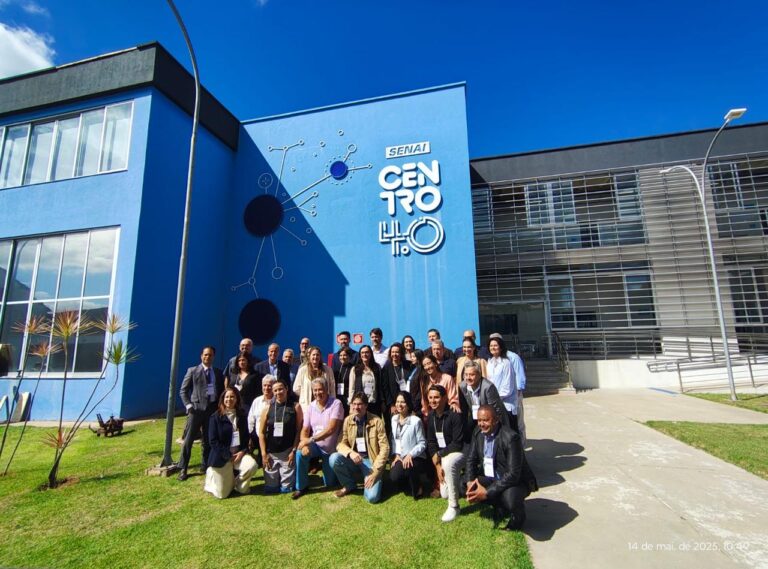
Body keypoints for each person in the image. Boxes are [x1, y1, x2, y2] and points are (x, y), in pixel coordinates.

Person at [464, 405, 538, 531]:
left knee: (510, 499)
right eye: (479, 420)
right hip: (491, 477)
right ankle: (499, 506)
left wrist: (487, 492)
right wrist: (470, 482)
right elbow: (471, 459)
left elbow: (513, 474)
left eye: (485, 420)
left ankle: (518, 518)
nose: (481, 424)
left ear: (496, 420)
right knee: (463, 485)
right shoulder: (478, 432)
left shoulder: (511, 438)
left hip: (515, 482)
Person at [329, 392, 389, 503]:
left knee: (372, 498)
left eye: (360, 404)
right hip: (354, 459)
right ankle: (349, 485)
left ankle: (371, 480)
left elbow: (385, 448)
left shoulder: (377, 421)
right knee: (334, 458)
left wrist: (375, 472)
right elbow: (340, 443)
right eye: (354, 404)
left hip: (371, 462)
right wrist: (351, 453)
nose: (356, 407)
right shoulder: (348, 421)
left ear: (366, 406)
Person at [177, 346, 225, 481]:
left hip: (211, 410)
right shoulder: (192, 371)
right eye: (205, 355)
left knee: (208, 439)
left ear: (213, 357)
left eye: (210, 355)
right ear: (201, 356)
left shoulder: (218, 372)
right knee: (188, 440)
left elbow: (221, 391)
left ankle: (205, 464)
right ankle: (183, 468)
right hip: (196, 410)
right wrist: (188, 405)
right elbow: (183, 391)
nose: (207, 357)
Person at [293, 378, 344, 499]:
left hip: (331, 449)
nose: (317, 393)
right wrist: (304, 444)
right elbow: (305, 430)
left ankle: (327, 467)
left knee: (330, 483)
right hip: (316, 446)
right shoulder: (310, 407)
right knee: (300, 453)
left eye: (320, 389)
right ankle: (301, 487)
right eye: (315, 390)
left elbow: (331, 429)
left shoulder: (336, 404)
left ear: (326, 389)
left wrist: (310, 440)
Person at [204, 388, 258, 499]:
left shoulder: (242, 416)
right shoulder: (215, 417)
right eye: (227, 397)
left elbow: (245, 438)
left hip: (238, 455)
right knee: (222, 495)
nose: (229, 399)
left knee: (252, 465)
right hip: (222, 457)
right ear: (223, 399)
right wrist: (228, 455)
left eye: (232, 396)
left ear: (237, 399)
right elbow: (213, 441)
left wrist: (242, 452)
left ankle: (240, 485)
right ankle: (211, 475)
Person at [426, 384, 467, 522]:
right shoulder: (431, 416)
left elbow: (457, 443)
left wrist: (439, 455)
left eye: (436, 397)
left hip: (459, 452)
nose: (433, 401)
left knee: (448, 463)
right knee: (444, 494)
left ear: (444, 398)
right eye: (430, 397)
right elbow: (431, 442)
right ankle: (461, 483)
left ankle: (454, 506)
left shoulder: (454, 415)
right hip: (443, 455)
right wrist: (438, 466)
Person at [258, 381, 302, 494]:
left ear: (286, 389)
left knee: (286, 489)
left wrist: (293, 450)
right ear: (273, 392)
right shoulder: (267, 408)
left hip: (287, 453)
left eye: (281, 389)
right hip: (271, 453)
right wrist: (264, 454)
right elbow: (261, 433)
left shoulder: (295, 407)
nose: (278, 392)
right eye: (275, 390)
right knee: (271, 489)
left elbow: (299, 430)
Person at [490, 333, 528, 446]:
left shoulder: (511, 358)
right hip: (496, 399)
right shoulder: (491, 361)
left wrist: (518, 391)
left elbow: (519, 376)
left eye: (496, 344)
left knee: (517, 423)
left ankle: (521, 446)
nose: (493, 347)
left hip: (512, 397)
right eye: (491, 344)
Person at [389, 391, 428, 499]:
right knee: (394, 476)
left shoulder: (416, 421)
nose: (399, 405)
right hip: (400, 455)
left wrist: (410, 454)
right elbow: (394, 439)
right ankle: (407, 482)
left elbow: (422, 443)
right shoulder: (394, 419)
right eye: (397, 402)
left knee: (409, 466)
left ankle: (418, 487)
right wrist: (396, 455)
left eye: (403, 402)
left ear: (408, 404)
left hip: (415, 456)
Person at [459, 360, 508, 435]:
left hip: (489, 420)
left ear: (479, 375)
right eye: (466, 374)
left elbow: (496, 411)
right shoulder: (462, 386)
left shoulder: (488, 387)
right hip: (474, 418)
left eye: (472, 375)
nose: (468, 378)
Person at [487, 336, 519, 432]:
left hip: (506, 405)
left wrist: (495, 398)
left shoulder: (506, 363)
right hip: (493, 405)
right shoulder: (489, 363)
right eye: (491, 346)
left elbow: (507, 387)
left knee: (509, 433)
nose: (493, 347)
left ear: (501, 347)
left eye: (495, 345)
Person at [415, 353, 460, 419]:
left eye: (429, 363)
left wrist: (454, 404)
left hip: (446, 414)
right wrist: (426, 415)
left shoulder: (447, 378)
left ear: (435, 363)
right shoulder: (424, 381)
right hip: (431, 415)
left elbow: (453, 397)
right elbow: (424, 401)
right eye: (424, 365)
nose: (427, 367)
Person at [293, 345, 335, 411]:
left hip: (325, 404)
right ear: (309, 356)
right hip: (307, 405)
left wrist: (332, 402)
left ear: (320, 357)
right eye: (313, 355)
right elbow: (296, 388)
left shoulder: (328, 370)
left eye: (317, 355)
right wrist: (306, 393)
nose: (315, 357)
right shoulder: (302, 370)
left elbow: (332, 387)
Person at [380, 342, 412, 427]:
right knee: (393, 426)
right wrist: (392, 405)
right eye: (393, 352)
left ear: (401, 353)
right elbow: (385, 388)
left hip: (407, 402)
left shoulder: (408, 365)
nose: (394, 354)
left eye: (397, 352)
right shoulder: (386, 367)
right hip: (393, 404)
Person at [247, 374, 276, 463]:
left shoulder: (278, 401)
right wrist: (250, 436)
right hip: (258, 437)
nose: (266, 388)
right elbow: (250, 419)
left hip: (274, 437)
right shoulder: (257, 401)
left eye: (269, 385)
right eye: (264, 385)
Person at [348, 345, 382, 416]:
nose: (364, 354)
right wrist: (351, 405)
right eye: (362, 353)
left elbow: (380, 386)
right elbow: (351, 389)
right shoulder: (355, 369)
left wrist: (382, 402)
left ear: (371, 354)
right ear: (360, 355)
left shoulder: (377, 367)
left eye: (367, 352)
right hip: (360, 405)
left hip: (374, 404)